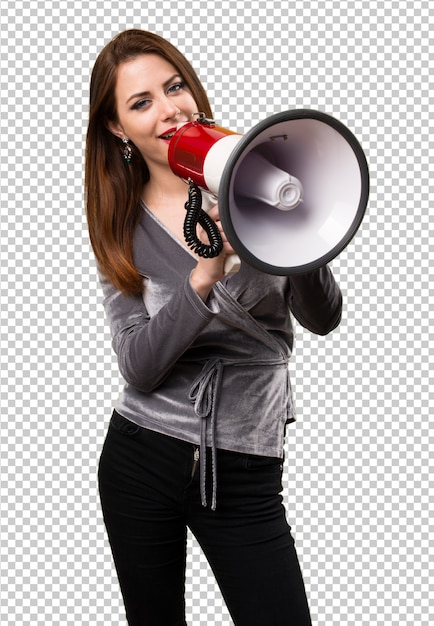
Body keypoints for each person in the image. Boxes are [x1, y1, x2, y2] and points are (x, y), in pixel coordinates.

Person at [85, 29, 342, 626]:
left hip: (245, 470)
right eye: (140, 101)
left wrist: (290, 229)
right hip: (139, 459)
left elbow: (323, 317)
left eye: (173, 86)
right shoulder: (120, 225)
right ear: (118, 129)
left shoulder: (260, 171)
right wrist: (204, 275)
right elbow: (138, 365)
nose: (167, 108)